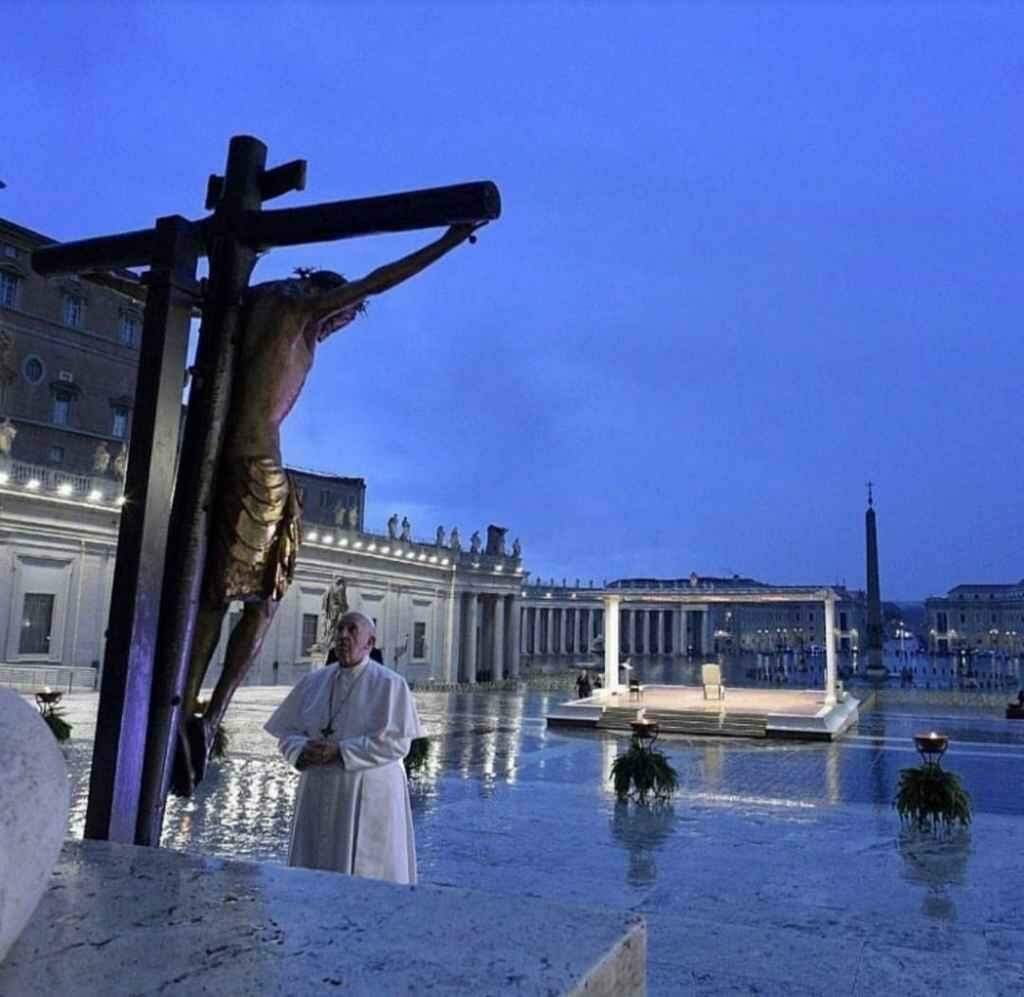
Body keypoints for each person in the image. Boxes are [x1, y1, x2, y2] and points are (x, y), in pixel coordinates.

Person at [172, 222, 480, 795]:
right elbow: (383, 277)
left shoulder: (250, 302)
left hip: (214, 458)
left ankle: (182, 705)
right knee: (261, 600)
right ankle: (208, 716)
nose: (338, 326)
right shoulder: (300, 311)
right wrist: (450, 236)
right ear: (331, 299)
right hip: (257, 467)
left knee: (217, 593)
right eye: (343, 317)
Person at [265, 611, 423, 884]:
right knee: (313, 871)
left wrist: (341, 751)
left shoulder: (390, 685)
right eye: (339, 630)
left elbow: (397, 743)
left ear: (369, 642)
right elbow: (286, 731)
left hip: (366, 792)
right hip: (317, 788)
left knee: (366, 876)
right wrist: (300, 750)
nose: (343, 636)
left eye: (352, 630)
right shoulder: (313, 682)